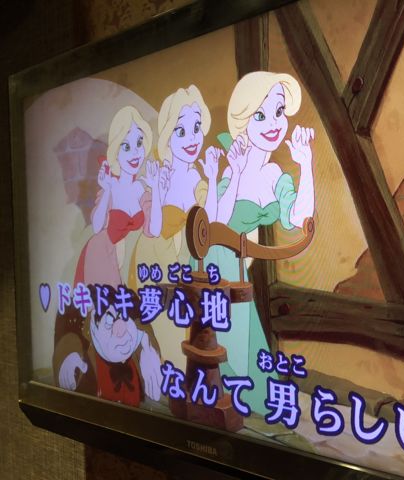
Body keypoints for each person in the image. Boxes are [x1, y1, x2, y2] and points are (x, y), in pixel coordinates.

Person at [198, 71, 316, 416]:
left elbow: (299, 218)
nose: (273, 123)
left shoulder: (274, 175)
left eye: (278, 112)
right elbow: (214, 224)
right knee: (228, 343)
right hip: (213, 265)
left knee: (244, 342)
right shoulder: (232, 166)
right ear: (243, 121)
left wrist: (306, 164)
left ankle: (247, 411)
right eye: (260, 115)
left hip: (237, 267)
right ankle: (228, 407)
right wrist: (232, 174)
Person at [127, 85, 222, 290]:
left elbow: (211, 222)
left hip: (187, 265)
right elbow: (155, 229)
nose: (191, 139)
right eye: (181, 131)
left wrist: (213, 177)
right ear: (168, 138)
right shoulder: (162, 177)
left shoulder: (197, 177)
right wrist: (157, 190)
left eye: (196, 128)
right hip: (155, 263)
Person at [74, 106, 164, 287]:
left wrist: (156, 189)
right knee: (109, 303)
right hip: (100, 254)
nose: (135, 153)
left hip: (125, 263)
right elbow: (97, 227)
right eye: (126, 146)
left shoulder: (140, 188)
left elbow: (155, 230)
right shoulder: (111, 186)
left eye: (139, 143)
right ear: (116, 151)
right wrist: (107, 190)